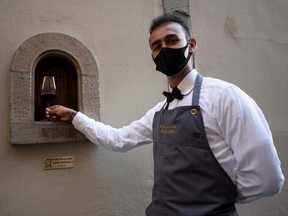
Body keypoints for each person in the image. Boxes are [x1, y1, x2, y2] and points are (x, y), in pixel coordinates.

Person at [46, 14, 284, 216]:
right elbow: (117, 140)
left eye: (171, 41)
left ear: (191, 45)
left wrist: (216, 201)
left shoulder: (225, 97)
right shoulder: (160, 110)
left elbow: (268, 180)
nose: (163, 50)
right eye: (156, 46)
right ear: (152, 55)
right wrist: (75, 116)